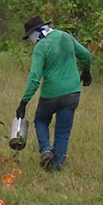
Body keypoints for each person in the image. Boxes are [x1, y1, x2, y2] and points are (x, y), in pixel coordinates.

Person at [17, 15, 92, 172]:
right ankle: (56, 166)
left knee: (41, 120)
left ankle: (45, 150)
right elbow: (86, 55)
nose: (31, 41)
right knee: (63, 130)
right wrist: (86, 72)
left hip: (51, 94)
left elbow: (35, 78)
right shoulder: (65, 36)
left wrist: (24, 102)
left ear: (35, 33)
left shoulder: (41, 47)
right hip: (72, 92)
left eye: (30, 37)